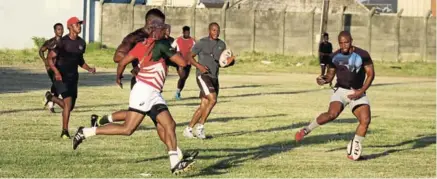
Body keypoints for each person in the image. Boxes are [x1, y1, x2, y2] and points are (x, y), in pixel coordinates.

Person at [72, 19, 196, 175]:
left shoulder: (142, 45)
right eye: (164, 29)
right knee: (127, 129)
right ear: (154, 31)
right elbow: (183, 63)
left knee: (169, 124)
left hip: (152, 92)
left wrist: (118, 77)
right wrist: (185, 53)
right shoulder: (161, 45)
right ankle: (85, 132)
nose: (167, 32)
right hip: (145, 91)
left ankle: (175, 163)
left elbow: (122, 61)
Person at [295, 31, 375, 161]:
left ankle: (355, 146)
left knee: (365, 120)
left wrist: (361, 92)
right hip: (341, 91)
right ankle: (306, 129)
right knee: (332, 115)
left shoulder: (362, 55)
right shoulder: (334, 56)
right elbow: (330, 75)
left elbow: (371, 75)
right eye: (341, 43)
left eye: (346, 42)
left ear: (351, 41)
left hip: (357, 91)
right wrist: (323, 79)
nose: (344, 45)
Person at [45, 17, 96, 139]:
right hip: (61, 77)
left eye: (80, 24)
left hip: (73, 77)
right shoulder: (62, 42)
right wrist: (56, 72)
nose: (80, 26)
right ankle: (64, 131)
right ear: (70, 27)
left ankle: (50, 97)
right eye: (77, 24)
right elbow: (50, 58)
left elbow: (80, 60)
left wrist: (89, 68)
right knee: (67, 104)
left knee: (70, 107)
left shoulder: (82, 43)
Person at [183, 22, 235, 139]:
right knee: (213, 99)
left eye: (218, 30)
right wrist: (199, 66)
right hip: (203, 75)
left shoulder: (221, 44)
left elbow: (222, 62)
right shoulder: (202, 43)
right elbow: (189, 56)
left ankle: (188, 129)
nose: (216, 33)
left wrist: (230, 61)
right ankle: (200, 128)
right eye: (214, 30)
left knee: (204, 105)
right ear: (209, 30)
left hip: (214, 77)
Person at [41, 23, 64, 113]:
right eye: (58, 29)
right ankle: (51, 104)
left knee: (57, 85)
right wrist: (44, 60)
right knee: (57, 84)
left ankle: (49, 98)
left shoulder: (64, 42)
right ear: (55, 31)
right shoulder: (50, 42)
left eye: (62, 29)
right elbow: (41, 50)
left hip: (60, 67)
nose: (60, 31)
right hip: (51, 67)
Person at [171, 26, 196, 100]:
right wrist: (176, 55)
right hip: (180, 61)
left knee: (184, 78)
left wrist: (192, 55)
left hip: (188, 62)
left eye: (188, 32)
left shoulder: (193, 41)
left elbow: (195, 51)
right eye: (186, 32)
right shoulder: (178, 40)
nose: (187, 34)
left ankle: (178, 92)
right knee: (182, 76)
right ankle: (178, 93)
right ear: (183, 32)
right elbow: (171, 48)